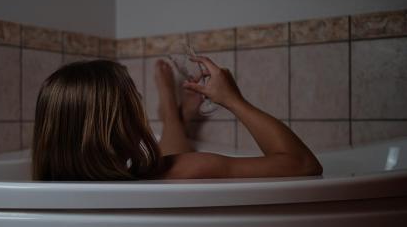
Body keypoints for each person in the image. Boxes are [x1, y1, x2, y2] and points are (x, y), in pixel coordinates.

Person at [32, 57, 322, 181]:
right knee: (172, 160)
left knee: (168, 158)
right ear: (123, 124)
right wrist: (233, 99)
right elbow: (303, 163)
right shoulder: (183, 171)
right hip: (170, 166)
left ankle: (174, 115)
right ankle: (172, 114)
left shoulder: (43, 187)